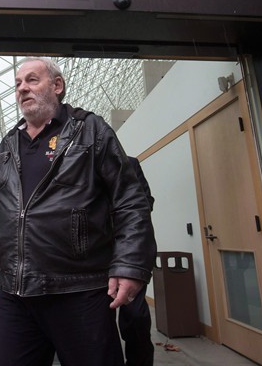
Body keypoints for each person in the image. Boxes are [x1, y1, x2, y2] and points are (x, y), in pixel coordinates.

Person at [0, 57, 156, 366]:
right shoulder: (7, 146)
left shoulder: (90, 130)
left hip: (79, 292)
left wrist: (130, 264)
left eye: (32, 80)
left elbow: (130, 199)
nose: (22, 89)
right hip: (16, 296)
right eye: (17, 84)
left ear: (57, 86)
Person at [119, 157, 156, 366]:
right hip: (94, 254)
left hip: (130, 251)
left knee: (135, 317)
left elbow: (146, 202)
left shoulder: (129, 164)